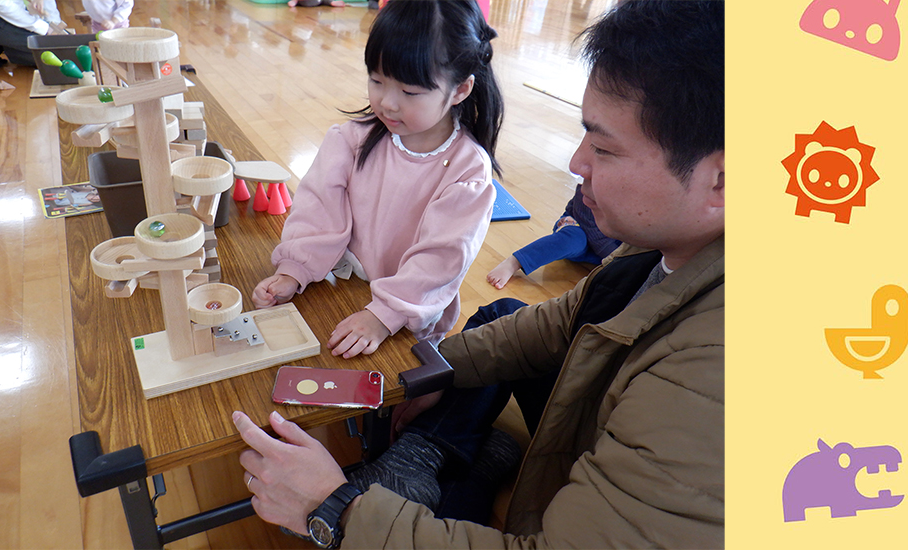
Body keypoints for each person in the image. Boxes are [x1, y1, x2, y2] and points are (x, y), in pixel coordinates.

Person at [233, 0, 725, 547]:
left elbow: (438, 262)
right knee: (503, 317)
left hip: (579, 500)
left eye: (604, 147)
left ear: (723, 179)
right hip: (591, 428)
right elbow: (557, 325)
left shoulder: (712, 376)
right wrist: (427, 375)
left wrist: (336, 508)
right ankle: (454, 449)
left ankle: (442, 455)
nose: (575, 163)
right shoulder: (652, 251)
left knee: (443, 501)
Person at [251, 0, 504, 359]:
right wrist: (295, 269)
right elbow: (318, 210)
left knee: (397, 395)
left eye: (410, 92)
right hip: (346, 292)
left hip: (409, 316)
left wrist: (383, 316)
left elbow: (440, 261)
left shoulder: (467, 172)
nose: (387, 103)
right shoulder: (350, 139)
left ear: (460, 90)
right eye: (376, 80)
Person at [486, 182, 620, 289]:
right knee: (572, 240)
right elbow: (590, 225)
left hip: (613, 248)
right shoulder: (597, 178)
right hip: (581, 227)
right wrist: (618, 257)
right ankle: (515, 262)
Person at [0, 0, 66, 68]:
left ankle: (4, 47)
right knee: (54, 54)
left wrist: (54, 25)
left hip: (11, 9)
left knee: (62, 48)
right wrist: (44, 28)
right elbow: (1, 5)